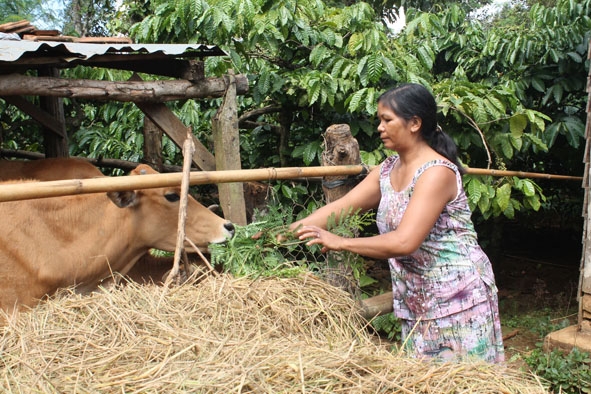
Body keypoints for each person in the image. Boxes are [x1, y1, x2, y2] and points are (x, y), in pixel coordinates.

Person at [290, 83, 504, 363]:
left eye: (387, 120)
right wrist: (284, 233)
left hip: (457, 297)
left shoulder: (437, 172)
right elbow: (340, 209)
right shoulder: (388, 170)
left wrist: (340, 242)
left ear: (414, 123)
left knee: (458, 382)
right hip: (415, 297)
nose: (380, 127)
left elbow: (405, 241)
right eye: (380, 120)